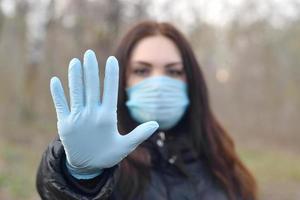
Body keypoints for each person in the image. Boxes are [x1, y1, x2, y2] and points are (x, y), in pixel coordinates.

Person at [36, 21, 257, 200]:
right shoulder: (106, 159)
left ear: (190, 81)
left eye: (173, 71)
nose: (159, 83)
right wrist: (79, 177)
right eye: (142, 70)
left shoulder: (221, 162)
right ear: (124, 82)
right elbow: (53, 189)